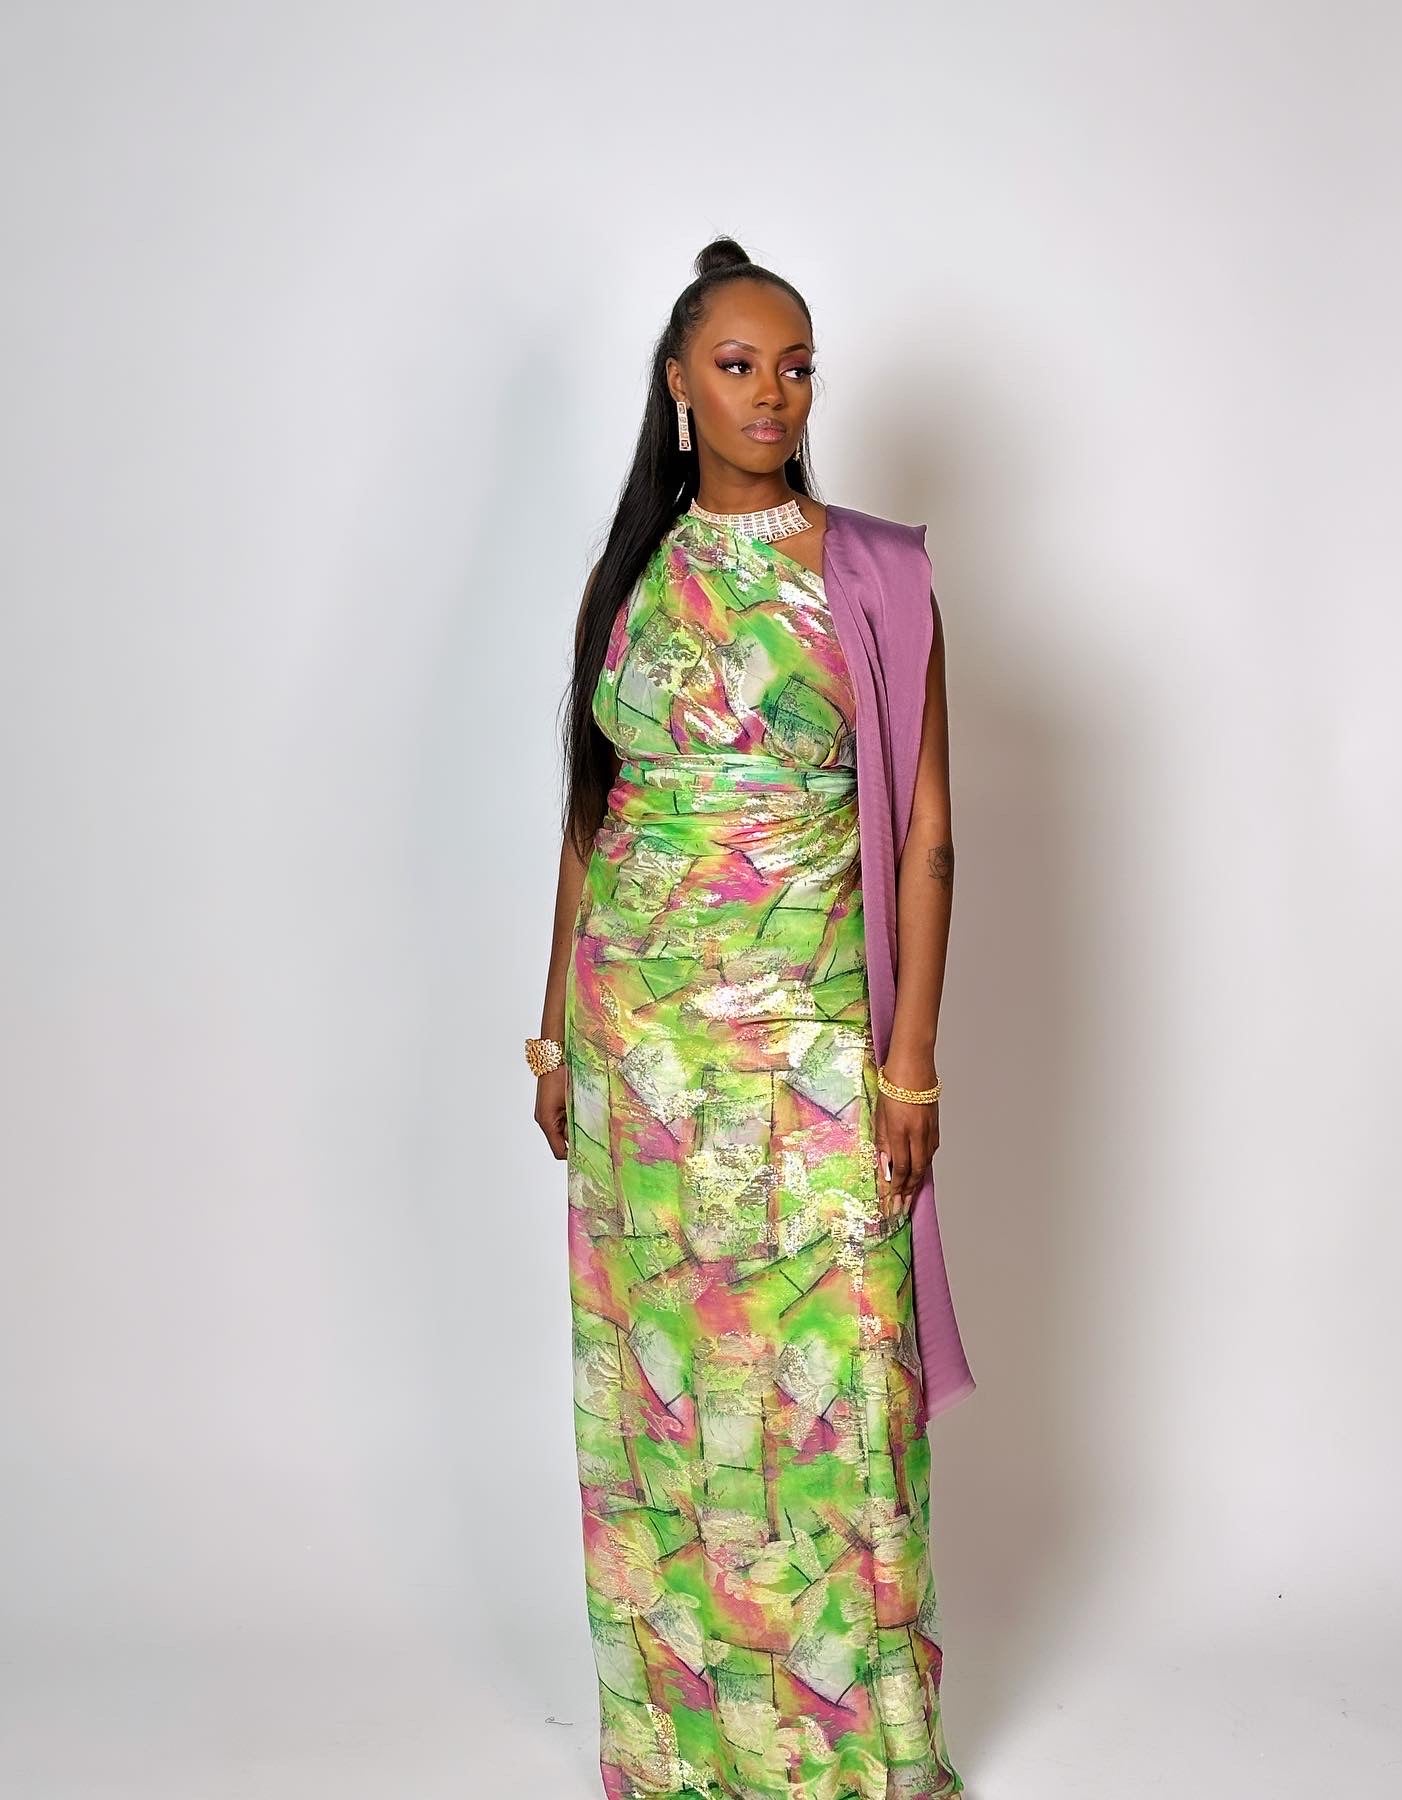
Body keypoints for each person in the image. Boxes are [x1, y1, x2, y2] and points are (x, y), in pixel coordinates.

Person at [529, 235, 972, 1800]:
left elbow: (926, 835)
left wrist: (909, 1070)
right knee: (667, 1405)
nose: (771, 393)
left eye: (795, 367)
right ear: (678, 385)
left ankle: (857, 1754)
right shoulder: (629, 582)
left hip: (811, 1059)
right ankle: (683, 1754)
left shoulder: (877, 576)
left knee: (838, 1393)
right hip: (640, 1062)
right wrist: (551, 1031)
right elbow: (591, 819)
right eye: (737, 365)